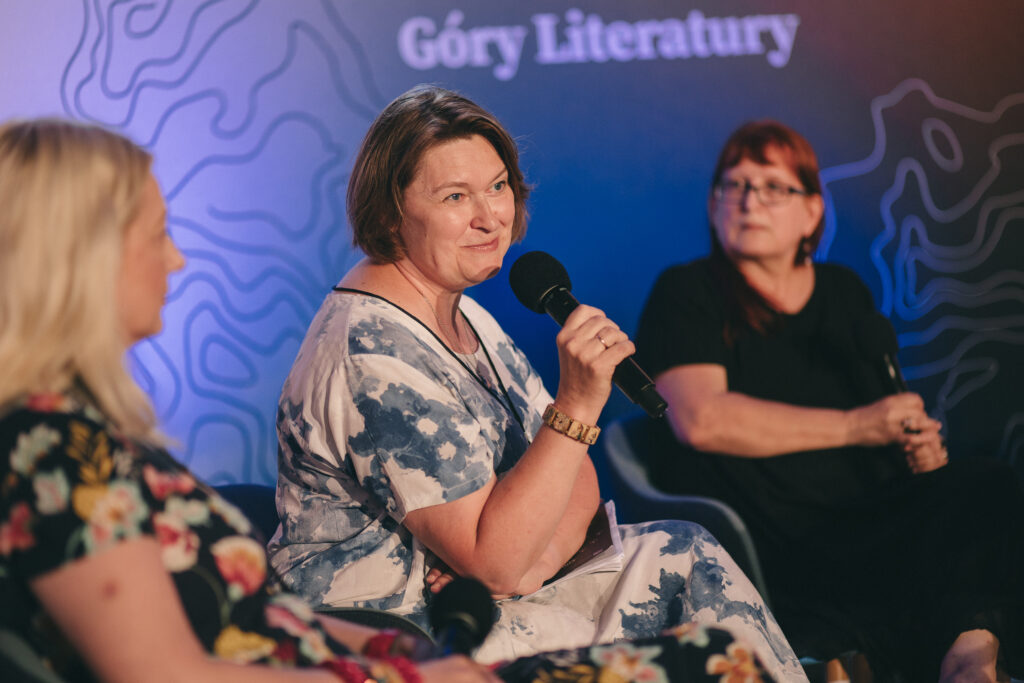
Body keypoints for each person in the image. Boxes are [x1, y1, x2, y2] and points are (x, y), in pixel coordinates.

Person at [268, 85, 806, 682]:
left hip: (504, 595)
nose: (490, 216)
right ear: (391, 212)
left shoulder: (462, 310)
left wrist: (537, 562)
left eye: (498, 187)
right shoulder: (370, 352)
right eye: (455, 196)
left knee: (686, 549)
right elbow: (495, 561)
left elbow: (573, 477)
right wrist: (576, 405)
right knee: (687, 604)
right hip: (406, 636)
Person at [0, 118, 511, 683]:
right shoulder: (48, 451)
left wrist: (393, 650)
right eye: (156, 236)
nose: (176, 260)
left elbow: (256, 619)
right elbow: (161, 674)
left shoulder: (81, 433)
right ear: (80, 263)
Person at [634, 119, 1024, 682]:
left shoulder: (843, 291)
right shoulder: (686, 291)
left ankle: (970, 663)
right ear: (715, 202)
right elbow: (701, 420)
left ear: (812, 212)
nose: (749, 202)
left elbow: (883, 417)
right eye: (733, 186)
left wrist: (915, 450)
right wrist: (859, 425)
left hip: (869, 513)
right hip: (773, 539)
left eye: (772, 187)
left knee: (988, 486)